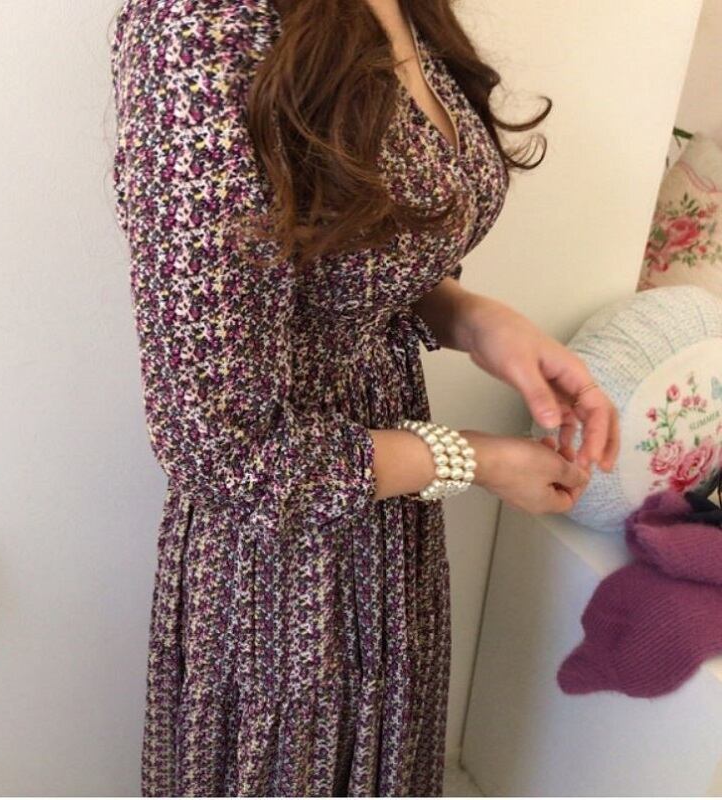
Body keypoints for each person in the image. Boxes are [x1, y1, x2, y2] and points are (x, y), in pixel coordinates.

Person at [109, 0, 619, 795]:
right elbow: (217, 444)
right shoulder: (198, 27)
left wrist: (475, 320)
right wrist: (473, 459)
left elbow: (346, 251)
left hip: (388, 524)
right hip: (278, 568)